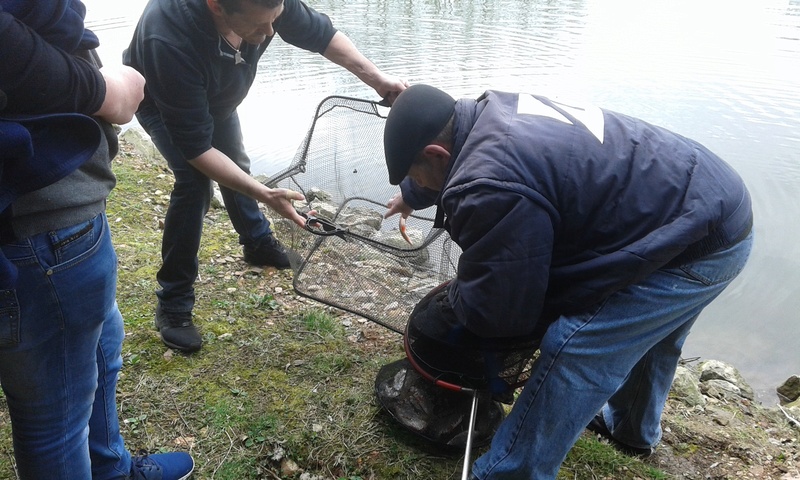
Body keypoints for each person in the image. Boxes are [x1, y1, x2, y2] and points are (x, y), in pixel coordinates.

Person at [382, 84, 754, 479]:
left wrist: (465, 314)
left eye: (414, 176)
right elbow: (462, 161)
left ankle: (510, 472)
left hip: (696, 240)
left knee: (578, 349)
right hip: (709, 197)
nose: (419, 184)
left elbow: (505, 311)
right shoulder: (487, 110)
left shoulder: (489, 184)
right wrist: (412, 194)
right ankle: (632, 430)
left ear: (437, 154)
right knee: (655, 337)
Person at [123, 0, 408, 353]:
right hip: (164, 103)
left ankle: (256, 242)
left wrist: (378, 80)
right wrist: (265, 194)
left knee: (237, 162)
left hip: (218, 96)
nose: (271, 32)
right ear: (216, 6)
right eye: (260, 26)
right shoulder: (168, 38)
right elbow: (197, 149)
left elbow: (321, 35)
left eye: (275, 19)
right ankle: (173, 301)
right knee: (194, 183)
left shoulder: (262, 4)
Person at [0, 1, 195, 478]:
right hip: (39, 228)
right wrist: (104, 90)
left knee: (103, 341)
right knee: (53, 420)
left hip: (69, 215)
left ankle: (111, 468)